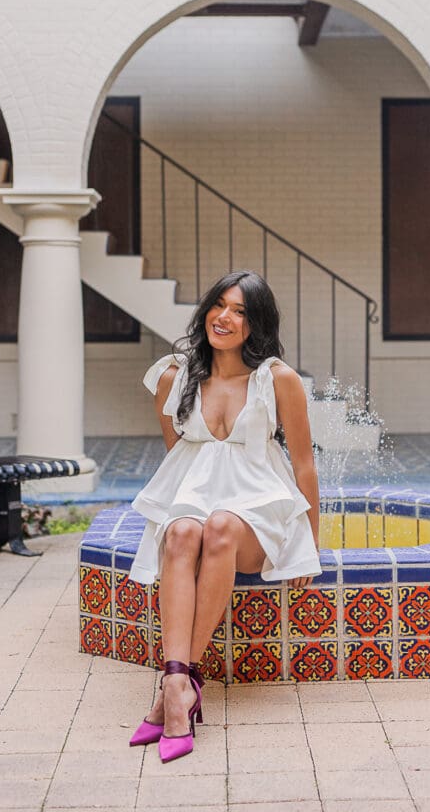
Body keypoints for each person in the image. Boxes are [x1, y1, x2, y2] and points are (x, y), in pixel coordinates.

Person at [127, 270, 321, 763]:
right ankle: (180, 684)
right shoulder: (175, 375)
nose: (225, 317)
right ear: (206, 310)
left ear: (256, 324)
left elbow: (303, 465)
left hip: (257, 516)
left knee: (220, 525)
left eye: (240, 311)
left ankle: (175, 692)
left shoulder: (277, 380)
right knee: (183, 529)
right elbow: (180, 459)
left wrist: (309, 549)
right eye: (219, 305)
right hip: (200, 514)